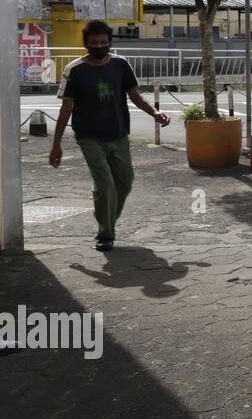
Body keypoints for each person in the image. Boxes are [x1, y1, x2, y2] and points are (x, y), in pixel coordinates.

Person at [48, 20, 170, 250]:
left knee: (124, 182)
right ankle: (105, 234)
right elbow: (66, 109)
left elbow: (135, 96)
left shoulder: (121, 65)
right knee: (104, 183)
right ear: (85, 44)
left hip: (119, 134)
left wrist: (155, 112)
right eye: (93, 43)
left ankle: (105, 216)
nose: (99, 46)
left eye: (103, 42)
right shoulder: (74, 70)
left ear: (110, 42)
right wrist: (56, 145)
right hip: (88, 136)